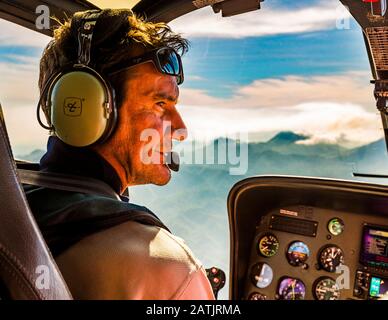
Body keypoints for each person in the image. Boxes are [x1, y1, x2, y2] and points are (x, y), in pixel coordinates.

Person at [25, 9, 215, 300]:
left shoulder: (16, 203)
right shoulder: (167, 268)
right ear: (89, 107)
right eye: (160, 104)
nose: (180, 129)